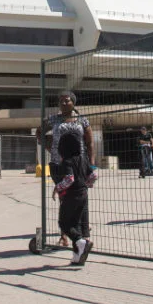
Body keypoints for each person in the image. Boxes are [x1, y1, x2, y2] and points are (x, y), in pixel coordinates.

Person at [43, 91, 94, 246]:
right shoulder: (53, 119)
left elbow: (90, 142)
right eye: (61, 101)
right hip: (59, 164)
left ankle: (83, 234)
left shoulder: (82, 120)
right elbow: (40, 132)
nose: (64, 103)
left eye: (67, 101)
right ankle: (64, 235)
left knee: (81, 197)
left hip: (79, 163)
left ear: (73, 102)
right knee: (64, 197)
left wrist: (91, 163)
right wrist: (50, 148)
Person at [55, 130, 95, 266]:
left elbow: (69, 179)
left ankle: (81, 242)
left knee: (64, 223)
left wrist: (58, 187)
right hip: (83, 194)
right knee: (76, 223)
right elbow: (93, 175)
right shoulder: (83, 159)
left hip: (71, 196)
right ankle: (77, 256)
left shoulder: (67, 161)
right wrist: (87, 184)